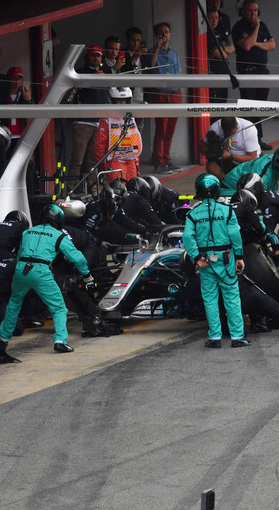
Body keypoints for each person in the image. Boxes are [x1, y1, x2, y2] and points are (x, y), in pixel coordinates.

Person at [0, 204, 95, 358]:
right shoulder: (59, 236)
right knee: (59, 308)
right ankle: (60, 341)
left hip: (21, 269)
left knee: (14, 304)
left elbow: (19, 253)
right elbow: (77, 258)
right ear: (59, 221)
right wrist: (87, 276)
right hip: (40, 271)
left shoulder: (27, 232)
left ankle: (3, 341)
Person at [182, 174, 250, 348]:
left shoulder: (192, 214)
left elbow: (187, 238)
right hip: (227, 258)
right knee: (232, 298)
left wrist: (197, 258)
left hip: (206, 260)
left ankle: (215, 338)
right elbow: (235, 235)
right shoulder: (227, 210)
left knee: (210, 299)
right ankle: (237, 337)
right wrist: (239, 257)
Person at [232, 0, 276, 150]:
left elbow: (272, 45)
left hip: (262, 71)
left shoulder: (263, 25)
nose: (253, 13)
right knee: (248, 108)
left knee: (260, 107)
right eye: (250, 10)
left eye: (256, 10)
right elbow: (247, 46)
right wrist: (256, 29)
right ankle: (246, 142)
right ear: (243, 12)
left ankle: (258, 139)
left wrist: (256, 42)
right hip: (247, 72)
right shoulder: (239, 27)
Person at [147, 22, 183, 175]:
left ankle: (166, 159)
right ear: (156, 36)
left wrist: (180, 93)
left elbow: (179, 73)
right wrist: (157, 47)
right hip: (160, 94)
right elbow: (151, 64)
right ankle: (158, 161)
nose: (165, 35)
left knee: (170, 131)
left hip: (174, 94)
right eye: (161, 33)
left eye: (167, 32)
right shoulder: (152, 51)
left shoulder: (174, 52)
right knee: (161, 130)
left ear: (170, 34)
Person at [70, 45, 109, 186]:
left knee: (94, 161)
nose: (96, 58)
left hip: (100, 122)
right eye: (93, 55)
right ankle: (71, 188)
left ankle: (93, 189)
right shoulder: (79, 72)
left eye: (98, 55)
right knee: (77, 159)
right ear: (87, 57)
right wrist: (94, 77)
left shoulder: (105, 73)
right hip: (83, 122)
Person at [93, 87, 142, 182]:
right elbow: (99, 145)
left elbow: (134, 142)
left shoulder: (131, 118)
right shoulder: (107, 120)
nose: (122, 103)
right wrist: (105, 163)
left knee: (133, 190)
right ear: (112, 101)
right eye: (119, 100)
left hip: (131, 161)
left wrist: (136, 163)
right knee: (117, 190)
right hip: (115, 161)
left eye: (124, 100)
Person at [206, 8, 235, 104]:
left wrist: (222, 48)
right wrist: (224, 49)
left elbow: (232, 47)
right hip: (214, 75)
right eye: (211, 18)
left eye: (216, 18)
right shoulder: (207, 34)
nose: (214, 20)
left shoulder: (217, 32)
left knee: (223, 102)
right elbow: (221, 55)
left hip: (223, 73)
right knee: (215, 103)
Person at [4, 66, 33, 146]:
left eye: (19, 79)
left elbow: (32, 112)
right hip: (5, 133)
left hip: (21, 134)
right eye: (14, 79)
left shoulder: (24, 94)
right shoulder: (3, 94)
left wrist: (28, 100)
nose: (17, 82)